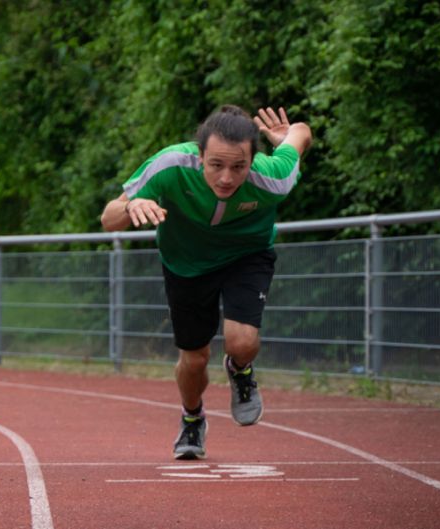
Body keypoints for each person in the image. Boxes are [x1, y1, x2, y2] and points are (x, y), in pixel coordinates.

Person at [100, 105, 312, 460]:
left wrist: (284, 140)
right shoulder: (170, 166)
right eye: (216, 165)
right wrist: (133, 204)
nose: (227, 178)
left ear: (253, 160)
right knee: (194, 359)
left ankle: (240, 370)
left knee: (241, 341)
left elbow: (302, 131)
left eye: (238, 167)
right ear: (199, 157)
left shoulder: (274, 175)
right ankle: (192, 417)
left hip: (246, 255)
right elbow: (109, 218)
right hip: (186, 264)